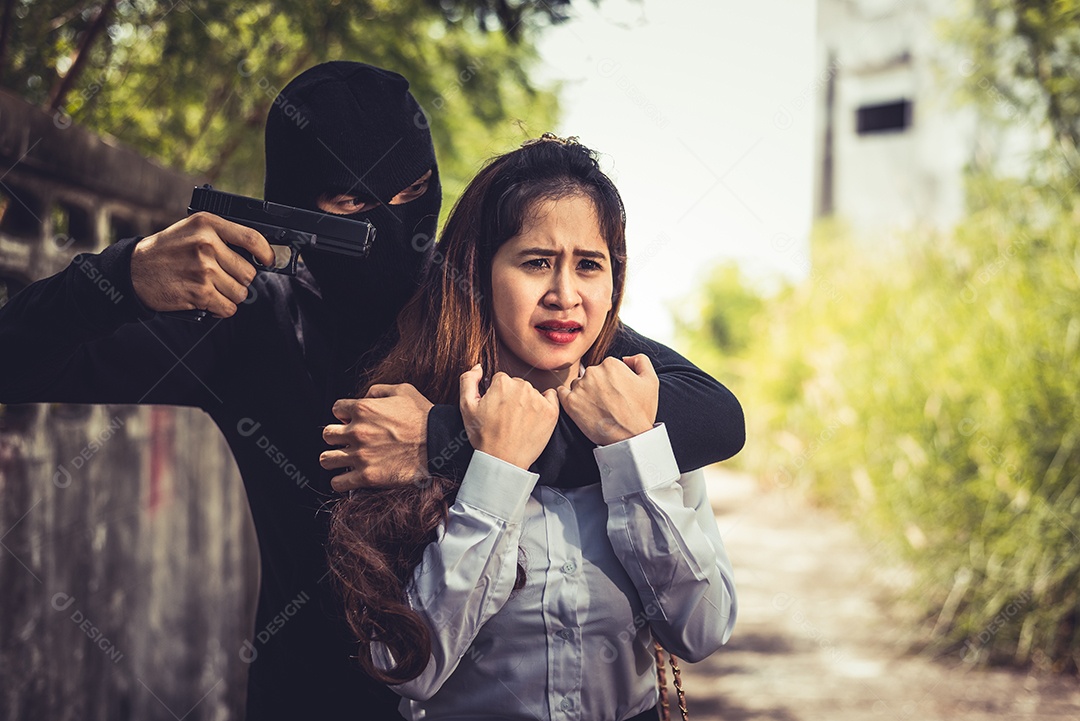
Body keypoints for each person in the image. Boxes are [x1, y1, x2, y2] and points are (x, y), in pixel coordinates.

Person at [0, 62, 743, 720]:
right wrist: (119, 277)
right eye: (351, 205)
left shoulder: (483, 301)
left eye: (413, 191)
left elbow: (707, 412)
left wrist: (443, 440)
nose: (392, 225)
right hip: (310, 697)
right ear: (291, 208)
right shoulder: (244, 323)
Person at [328, 136, 737, 721]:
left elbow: (702, 631)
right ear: (478, 275)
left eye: (589, 265)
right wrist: (493, 475)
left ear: (614, 284)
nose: (565, 296)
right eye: (536, 262)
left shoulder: (643, 419)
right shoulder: (403, 431)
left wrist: (633, 455)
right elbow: (408, 667)